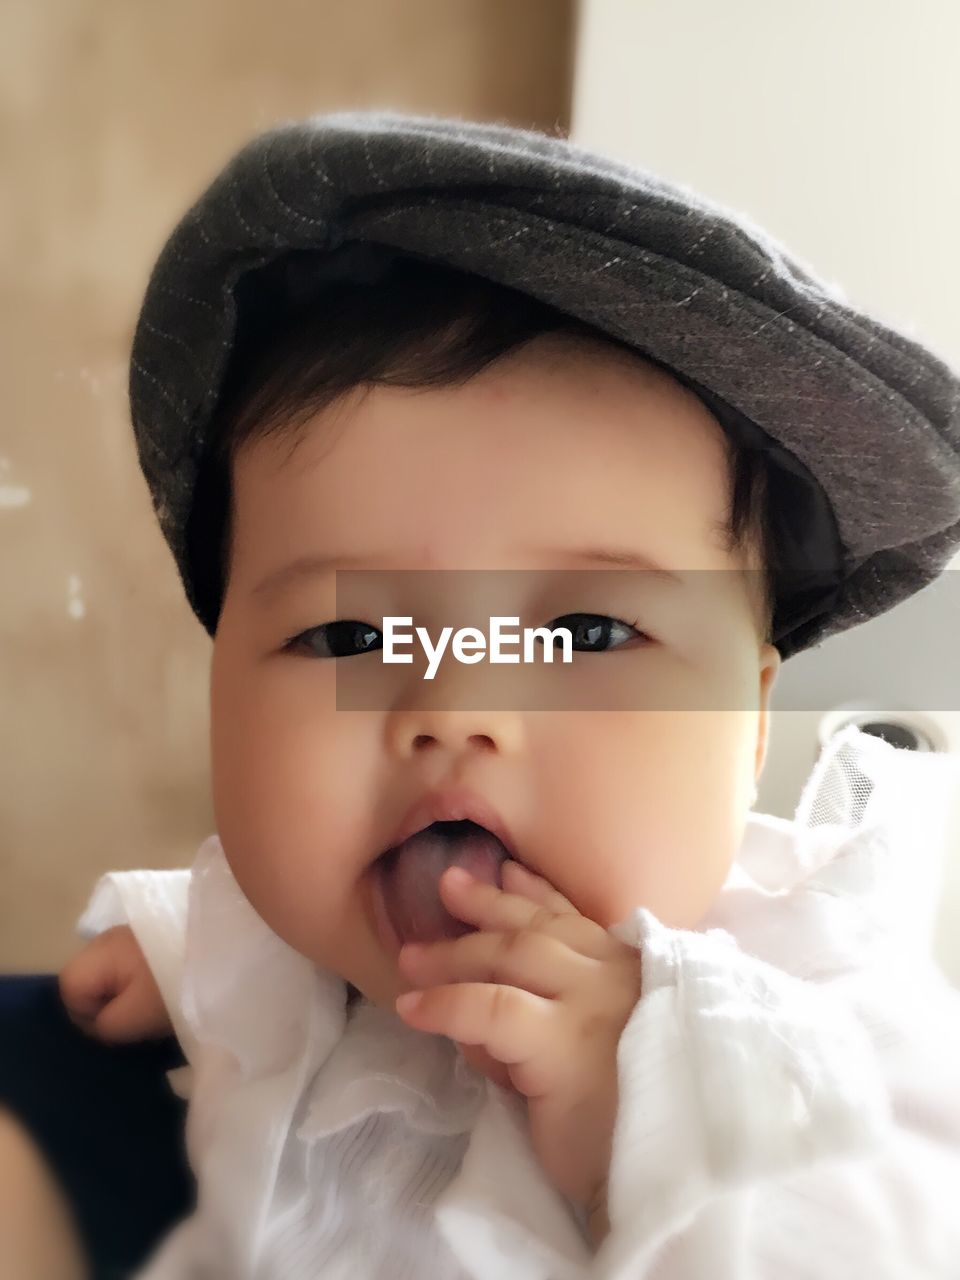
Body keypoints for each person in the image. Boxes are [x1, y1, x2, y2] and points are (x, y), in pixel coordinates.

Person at [16, 110, 960, 1278]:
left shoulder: (797, 1004)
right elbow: (270, 907)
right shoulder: (312, 943)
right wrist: (177, 945)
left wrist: (659, 1113)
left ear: (752, 722)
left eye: (587, 629)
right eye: (351, 631)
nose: (454, 703)